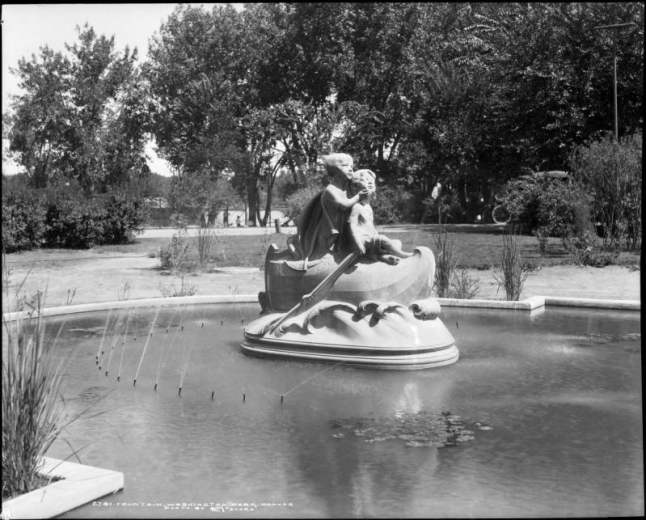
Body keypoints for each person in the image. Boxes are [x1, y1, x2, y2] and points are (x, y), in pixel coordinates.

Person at [292, 153, 370, 265]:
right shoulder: (331, 189)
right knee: (322, 255)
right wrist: (358, 196)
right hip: (329, 230)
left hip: (342, 227)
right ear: (336, 170)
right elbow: (344, 205)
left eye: (351, 167)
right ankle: (299, 251)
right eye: (346, 166)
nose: (350, 169)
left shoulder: (347, 188)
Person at [347, 169, 413, 265]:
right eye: (365, 179)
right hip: (362, 239)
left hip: (371, 238)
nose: (370, 181)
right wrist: (358, 243)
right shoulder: (357, 207)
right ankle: (402, 255)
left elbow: (370, 227)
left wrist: (376, 236)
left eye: (371, 180)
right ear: (356, 187)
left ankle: (381, 256)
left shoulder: (368, 207)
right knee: (382, 239)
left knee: (397, 242)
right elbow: (352, 225)